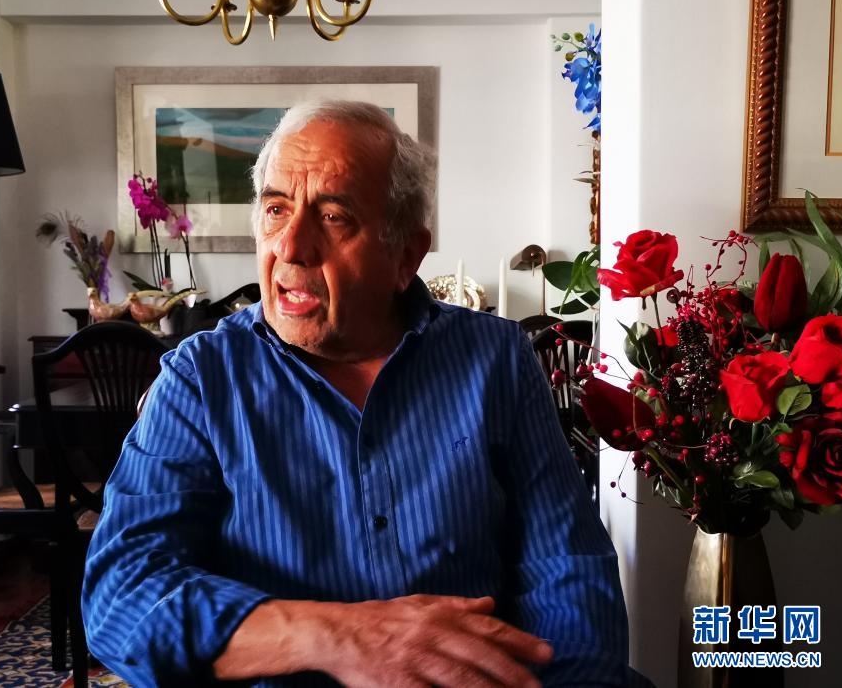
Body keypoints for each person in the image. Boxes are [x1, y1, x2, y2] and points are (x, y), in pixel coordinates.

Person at [82, 100, 630, 686]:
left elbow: (567, 568)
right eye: (276, 210)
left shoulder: (496, 360)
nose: (290, 247)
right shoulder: (202, 378)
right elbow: (123, 595)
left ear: (405, 255)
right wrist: (339, 637)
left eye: (333, 216)